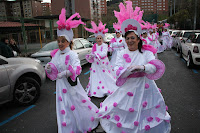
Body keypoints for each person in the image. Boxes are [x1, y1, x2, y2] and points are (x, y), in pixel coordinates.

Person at [98, 2, 171, 133]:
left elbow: (154, 66)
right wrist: (128, 71)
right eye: (127, 38)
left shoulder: (147, 52)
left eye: (132, 38)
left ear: (138, 39)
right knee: (126, 109)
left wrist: (142, 67)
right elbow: (117, 69)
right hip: (128, 87)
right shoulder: (121, 53)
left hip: (145, 87)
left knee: (145, 111)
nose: (130, 41)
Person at [45, 9, 99, 133]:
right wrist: (48, 67)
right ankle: (67, 126)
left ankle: (86, 119)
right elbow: (52, 65)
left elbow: (77, 69)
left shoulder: (73, 55)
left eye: (63, 41)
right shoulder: (56, 54)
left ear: (69, 42)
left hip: (71, 85)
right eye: (58, 41)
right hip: (60, 85)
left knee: (77, 103)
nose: (60, 43)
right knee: (64, 105)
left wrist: (66, 73)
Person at [84, 21, 118, 98]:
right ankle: (96, 90)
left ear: (102, 38)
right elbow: (92, 53)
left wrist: (95, 55)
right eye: (97, 38)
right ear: (96, 39)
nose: (99, 39)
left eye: (100, 38)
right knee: (96, 77)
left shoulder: (105, 45)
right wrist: (90, 56)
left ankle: (106, 88)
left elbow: (103, 54)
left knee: (106, 75)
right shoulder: (94, 46)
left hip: (103, 64)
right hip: (96, 65)